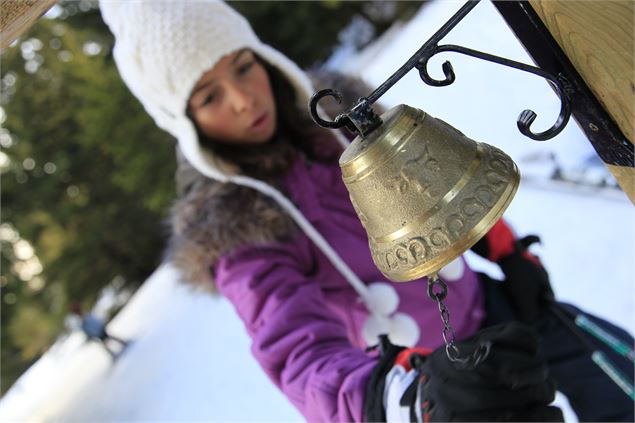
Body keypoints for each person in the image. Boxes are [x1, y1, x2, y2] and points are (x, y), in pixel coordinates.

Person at [99, 1, 634, 421]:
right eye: (209, 96)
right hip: (439, 385)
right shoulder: (236, 232)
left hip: (498, 306)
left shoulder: (343, 117)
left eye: (243, 66)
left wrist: (504, 248)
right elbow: (296, 354)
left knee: (620, 381)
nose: (243, 99)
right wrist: (405, 398)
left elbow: (434, 188)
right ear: (183, 121)